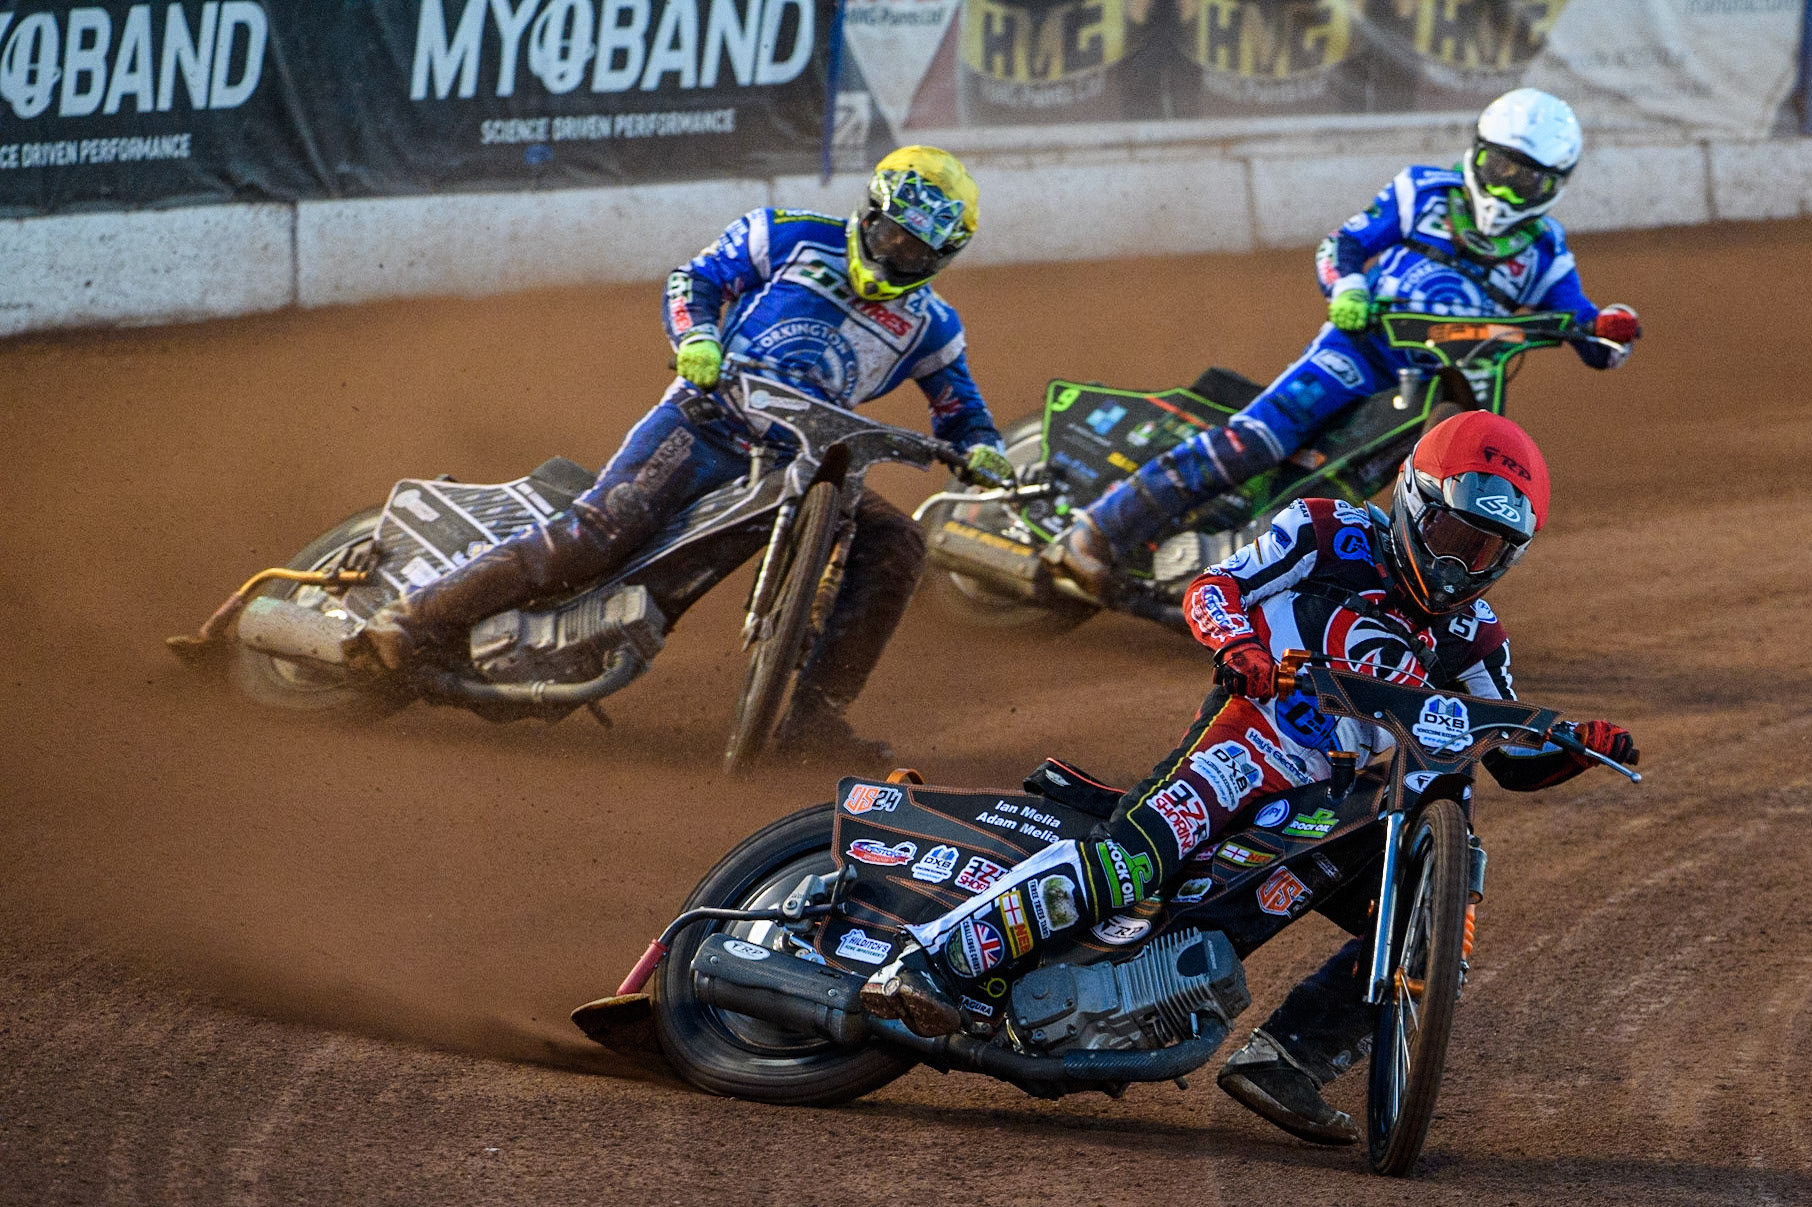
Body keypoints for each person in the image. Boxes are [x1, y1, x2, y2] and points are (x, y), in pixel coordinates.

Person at [862, 411, 1639, 1144]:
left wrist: (1576, 744)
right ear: (1412, 495)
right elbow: (1213, 587)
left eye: (1485, 553)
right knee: (1137, 858)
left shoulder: (1476, 638)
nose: (1457, 564)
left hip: (1328, 799)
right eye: (1451, 534)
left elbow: (1507, 750)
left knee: (1437, 902)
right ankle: (938, 958)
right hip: (1246, 741)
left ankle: (1286, 1059)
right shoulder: (1326, 530)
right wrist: (1239, 647)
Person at [362, 146, 1015, 762]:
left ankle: (815, 717)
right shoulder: (785, 235)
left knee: (896, 543)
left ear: (940, 258)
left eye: (913, 249)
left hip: (809, 460)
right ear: (868, 214)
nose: (894, 252)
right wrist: (696, 335)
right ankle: (414, 621)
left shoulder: (934, 326)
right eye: (889, 234)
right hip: (705, 420)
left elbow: (961, 410)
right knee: (598, 535)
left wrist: (983, 450)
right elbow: (694, 279)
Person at [1051, 88, 1643, 598]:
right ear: (1476, 151)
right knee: (1257, 439)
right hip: (1358, 349)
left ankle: (1266, 571)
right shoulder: (1423, 192)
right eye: (1498, 167)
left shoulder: (1546, 251)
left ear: (1554, 185)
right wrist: (1347, 286)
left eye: (1526, 179)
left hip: (1435, 386)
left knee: (1369, 488)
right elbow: (1344, 244)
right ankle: (1099, 528)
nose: (1507, 188)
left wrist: (1612, 330)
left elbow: (1582, 325)